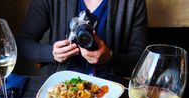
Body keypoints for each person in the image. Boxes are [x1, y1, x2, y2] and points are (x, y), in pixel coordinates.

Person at [16, 0, 147, 81]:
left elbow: (141, 61)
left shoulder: (133, 2)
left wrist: (110, 57)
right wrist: (52, 53)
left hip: (111, 91)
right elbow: (22, 44)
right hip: (62, 89)